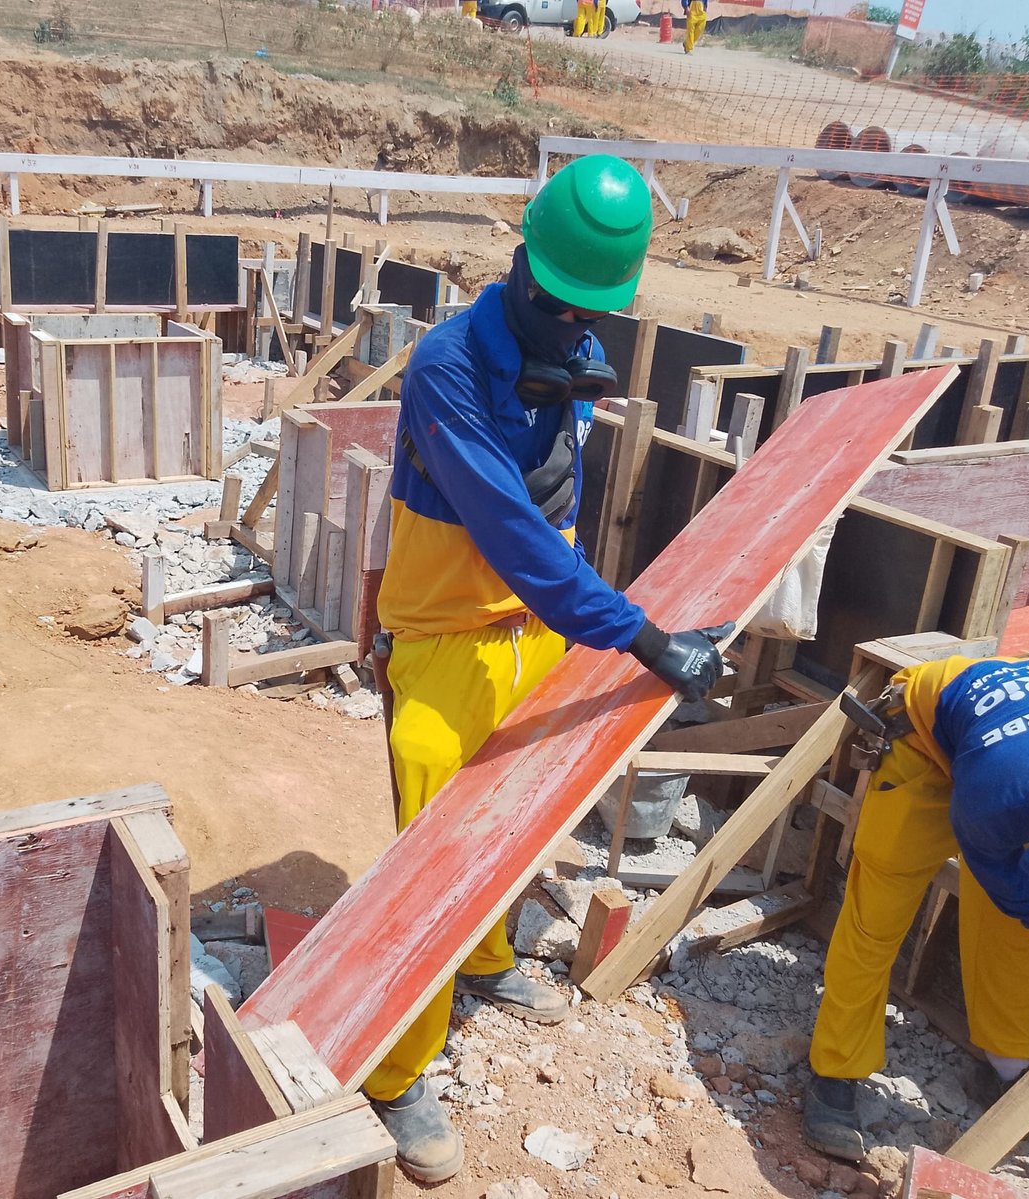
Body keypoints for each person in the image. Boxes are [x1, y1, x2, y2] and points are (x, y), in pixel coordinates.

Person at [363, 153, 733, 1183]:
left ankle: (485, 960)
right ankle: (396, 1071)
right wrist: (643, 635)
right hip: (444, 638)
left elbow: (561, 518)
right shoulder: (446, 366)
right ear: (522, 261)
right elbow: (514, 533)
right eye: (562, 303)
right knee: (433, 854)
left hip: (537, 631)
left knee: (515, 825)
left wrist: (618, 624)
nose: (574, 322)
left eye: (590, 311)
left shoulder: (572, 353)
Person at [803, 655, 1029, 1162]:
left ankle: (1010, 1071)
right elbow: (1015, 894)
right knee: (880, 907)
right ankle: (834, 1070)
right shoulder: (996, 803)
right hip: (928, 734)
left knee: (1008, 931)